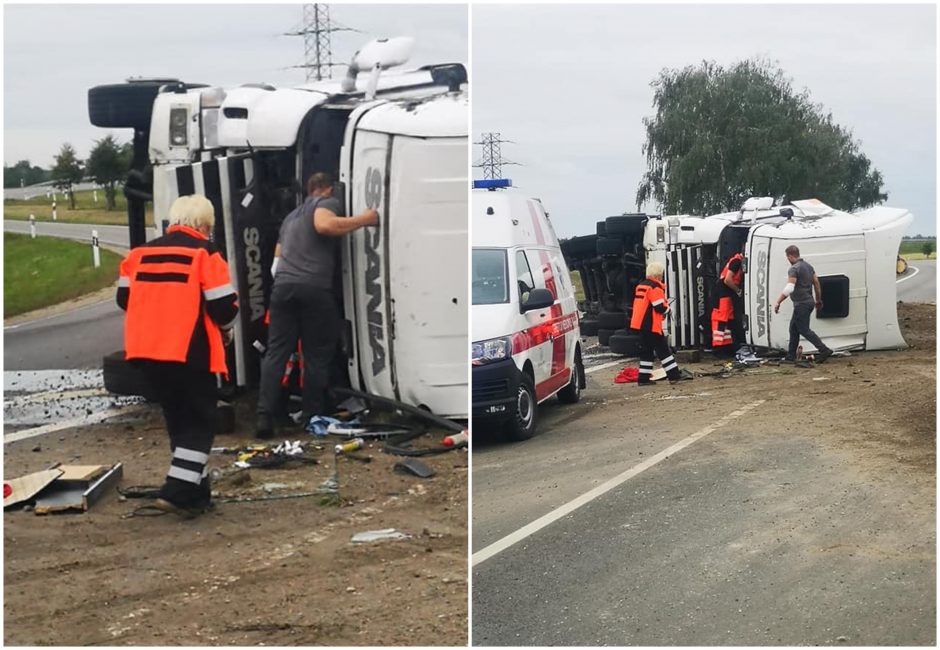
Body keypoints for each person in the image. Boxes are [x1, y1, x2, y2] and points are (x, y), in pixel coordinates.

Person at [117, 194, 238, 517]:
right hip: (189, 350)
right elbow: (225, 307)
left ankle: (198, 495)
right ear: (204, 225)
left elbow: (123, 298)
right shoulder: (205, 253)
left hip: (146, 350)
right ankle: (178, 491)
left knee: (179, 420)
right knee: (200, 421)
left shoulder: (139, 253)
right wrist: (224, 326)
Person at [255, 172, 379, 438]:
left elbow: (276, 264)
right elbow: (325, 226)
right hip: (314, 288)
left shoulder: (290, 218)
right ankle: (312, 416)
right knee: (316, 354)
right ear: (327, 189)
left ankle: (264, 415)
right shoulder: (327, 204)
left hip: (283, 288)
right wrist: (366, 220)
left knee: (277, 352)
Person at [773, 245, 833, 363]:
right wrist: (818, 300)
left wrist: (778, 302)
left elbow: (790, 288)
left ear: (790, 256)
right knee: (794, 329)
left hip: (801, 304)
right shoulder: (809, 267)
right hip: (808, 302)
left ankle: (824, 349)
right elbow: (816, 284)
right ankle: (791, 356)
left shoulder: (794, 268)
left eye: (787, 257)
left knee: (803, 329)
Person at [629, 261, 685, 385]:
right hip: (651, 325)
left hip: (639, 324)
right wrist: (668, 309)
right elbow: (659, 307)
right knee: (664, 350)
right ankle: (674, 376)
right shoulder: (655, 288)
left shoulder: (641, 286)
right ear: (659, 275)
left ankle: (643, 379)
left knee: (646, 352)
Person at [710, 252, 746, 354]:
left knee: (727, 320)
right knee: (722, 320)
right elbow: (728, 280)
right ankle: (719, 349)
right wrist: (738, 291)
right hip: (723, 294)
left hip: (724, 294)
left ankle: (726, 348)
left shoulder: (734, 260)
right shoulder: (737, 262)